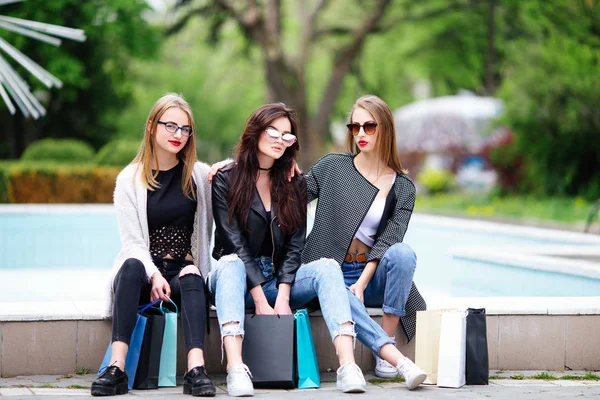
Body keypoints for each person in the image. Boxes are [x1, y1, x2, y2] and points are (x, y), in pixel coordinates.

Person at [209, 103, 367, 396]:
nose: (280, 139)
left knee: (328, 267)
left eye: (288, 135)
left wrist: (282, 296)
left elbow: (295, 246)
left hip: (276, 281)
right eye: (273, 131)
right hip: (233, 280)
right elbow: (234, 242)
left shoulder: (295, 183)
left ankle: (348, 366)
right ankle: (235, 369)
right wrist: (259, 299)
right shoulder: (225, 178)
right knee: (231, 262)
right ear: (255, 131)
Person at [92, 93, 215, 397]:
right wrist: (154, 275)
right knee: (131, 264)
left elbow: (241, 172)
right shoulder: (129, 180)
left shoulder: (198, 175)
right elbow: (133, 243)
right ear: (151, 126)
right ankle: (116, 369)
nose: (178, 135)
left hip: (181, 277)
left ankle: (196, 370)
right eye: (170, 126)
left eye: (185, 129)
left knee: (192, 274)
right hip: (143, 277)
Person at [301, 94, 427, 388]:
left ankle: (386, 347)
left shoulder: (403, 187)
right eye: (354, 127)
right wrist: (233, 169)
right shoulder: (333, 167)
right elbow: (292, 195)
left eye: (369, 126)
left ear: (385, 129)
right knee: (332, 278)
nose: (360, 133)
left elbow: (388, 241)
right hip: (334, 269)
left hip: (371, 277)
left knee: (403, 253)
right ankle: (392, 353)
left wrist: (362, 282)